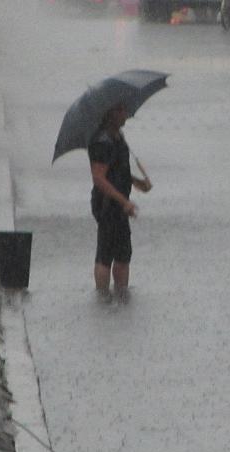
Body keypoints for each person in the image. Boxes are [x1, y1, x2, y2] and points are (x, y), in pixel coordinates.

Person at [88, 103, 152, 302]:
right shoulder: (102, 141)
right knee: (106, 253)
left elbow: (119, 172)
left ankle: (122, 295)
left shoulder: (118, 138)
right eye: (122, 111)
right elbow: (98, 178)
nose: (126, 115)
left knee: (123, 253)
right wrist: (124, 201)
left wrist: (139, 183)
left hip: (119, 204)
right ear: (111, 114)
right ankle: (103, 298)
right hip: (107, 204)